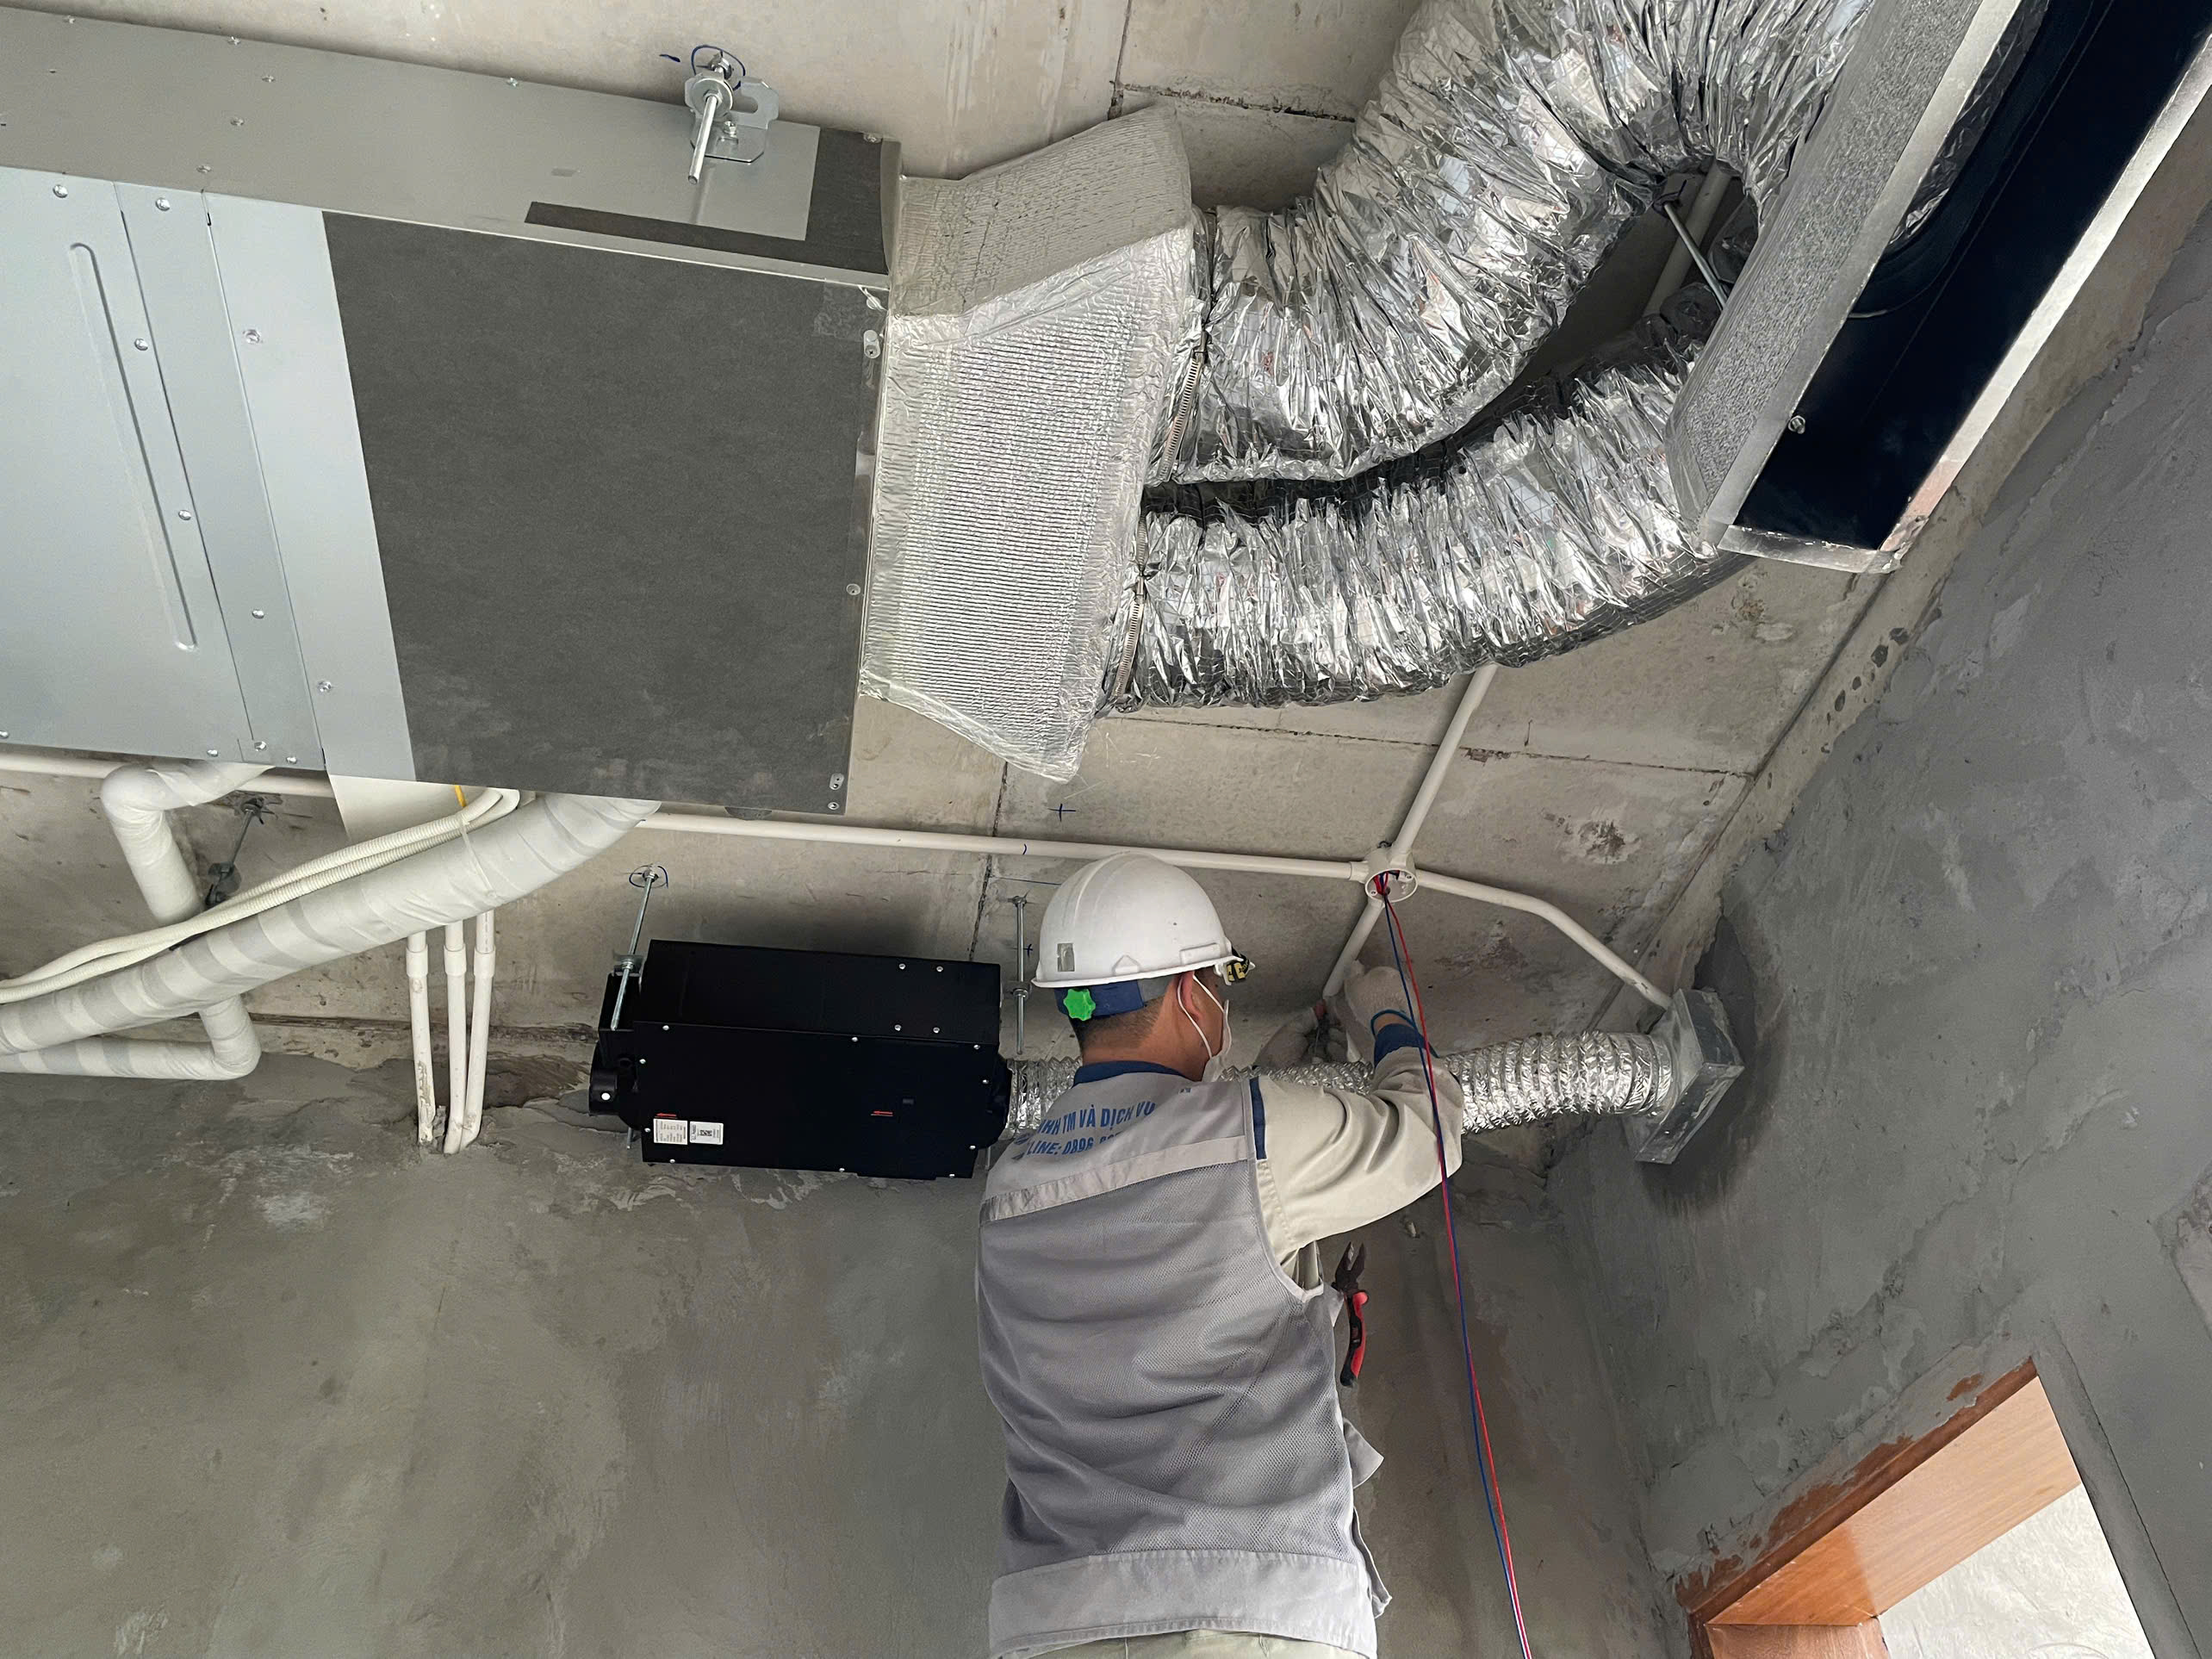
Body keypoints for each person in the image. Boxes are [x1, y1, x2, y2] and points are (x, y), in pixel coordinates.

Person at [975, 854, 1466, 1659]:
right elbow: (1429, 1134)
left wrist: (1268, 1085)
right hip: (1236, 1606)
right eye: (1218, 980)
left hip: (1056, 1618)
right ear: (1186, 992)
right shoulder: (1249, 1133)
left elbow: (1186, 1245)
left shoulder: (1009, 1194)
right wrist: (1391, 1017)